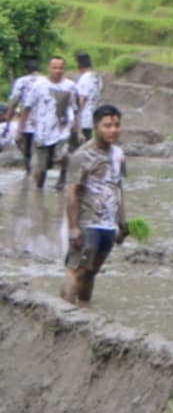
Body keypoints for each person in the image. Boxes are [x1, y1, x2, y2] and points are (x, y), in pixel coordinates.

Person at [62, 103, 126, 306]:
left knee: (92, 272)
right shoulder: (82, 155)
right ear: (96, 126)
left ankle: (85, 311)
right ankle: (63, 314)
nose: (113, 130)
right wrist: (73, 227)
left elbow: (118, 188)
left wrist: (123, 222)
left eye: (116, 125)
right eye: (107, 125)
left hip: (107, 224)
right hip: (87, 222)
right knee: (77, 270)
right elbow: (71, 192)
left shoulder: (118, 154)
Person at [16, 56, 74, 191]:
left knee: (64, 155)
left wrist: (78, 129)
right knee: (42, 168)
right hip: (42, 132)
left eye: (61, 68)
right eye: (55, 67)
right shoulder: (38, 86)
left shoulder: (70, 86)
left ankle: (62, 181)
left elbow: (75, 109)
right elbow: (27, 108)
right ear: (49, 68)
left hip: (62, 130)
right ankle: (38, 191)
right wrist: (20, 129)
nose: (58, 71)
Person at [67, 53, 100, 149]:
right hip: (92, 118)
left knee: (76, 149)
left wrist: (74, 118)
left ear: (79, 65)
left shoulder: (84, 79)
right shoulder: (97, 77)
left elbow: (81, 100)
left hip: (82, 120)